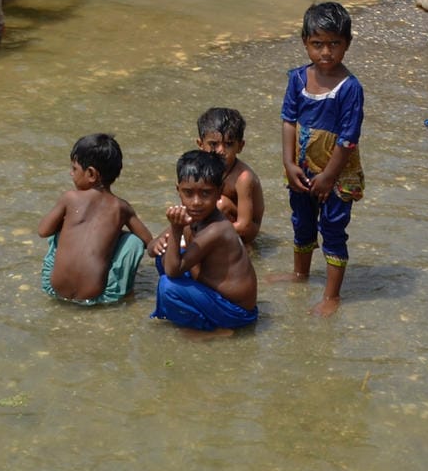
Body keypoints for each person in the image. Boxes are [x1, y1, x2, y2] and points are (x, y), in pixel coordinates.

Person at [271, 1, 365, 317]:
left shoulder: (350, 88)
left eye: (334, 44)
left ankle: (332, 296)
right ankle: (300, 274)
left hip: (336, 173)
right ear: (305, 43)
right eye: (318, 44)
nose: (326, 52)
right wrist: (288, 163)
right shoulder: (298, 79)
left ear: (347, 44)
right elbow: (288, 120)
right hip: (302, 168)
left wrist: (329, 176)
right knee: (302, 221)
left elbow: (348, 138)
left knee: (334, 228)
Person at [148, 150, 259, 336]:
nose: (196, 202)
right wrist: (157, 245)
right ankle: (203, 316)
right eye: (188, 193)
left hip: (237, 312)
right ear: (178, 190)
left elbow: (173, 271)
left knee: (167, 286)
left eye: (206, 193)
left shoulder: (217, 229)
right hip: (217, 296)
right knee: (164, 256)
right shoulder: (192, 215)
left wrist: (176, 230)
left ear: (219, 192)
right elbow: (152, 247)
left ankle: (214, 330)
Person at [37, 133, 155, 305]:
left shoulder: (70, 198)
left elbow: (43, 231)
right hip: (99, 297)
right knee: (132, 241)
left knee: (60, 229)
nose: (71, 174)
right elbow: (149, 243)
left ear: (91, 174)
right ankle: (124, 294)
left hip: (54, 289)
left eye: (74, 169)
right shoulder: (122, 208)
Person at [196, 107, 264, 244]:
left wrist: (207, 235)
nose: (221, 151)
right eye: (213, 144)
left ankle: (242, 249)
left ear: (240, 146)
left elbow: (244, 226)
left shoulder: (243, 178)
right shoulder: (202, 168)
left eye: (228, 144)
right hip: (220, 227)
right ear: (200, 145)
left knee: (221, 204)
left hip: (245, 231)